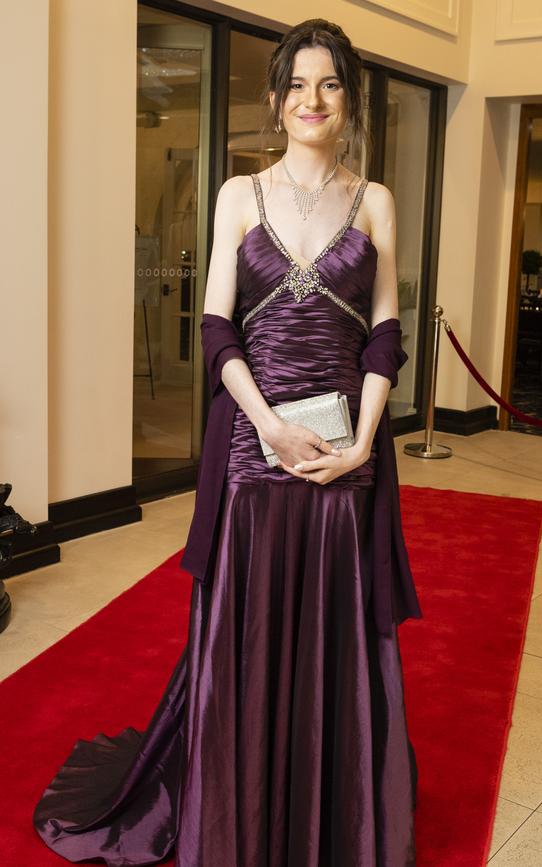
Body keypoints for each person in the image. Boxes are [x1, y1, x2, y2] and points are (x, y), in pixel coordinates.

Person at [33, 18, 423, 866]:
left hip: (344, 458)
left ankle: (334, 813)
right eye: (296, 84)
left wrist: (361, 440)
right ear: (276, 98)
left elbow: (387, 332)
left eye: (329, 84)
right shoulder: (239, 197)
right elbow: (216, 327)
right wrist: (269, 423)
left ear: (348, 99)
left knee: (335, 634)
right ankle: (238, 806)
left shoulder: (377, 200)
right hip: (254, 449)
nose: (311, 100)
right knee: (244, 636)